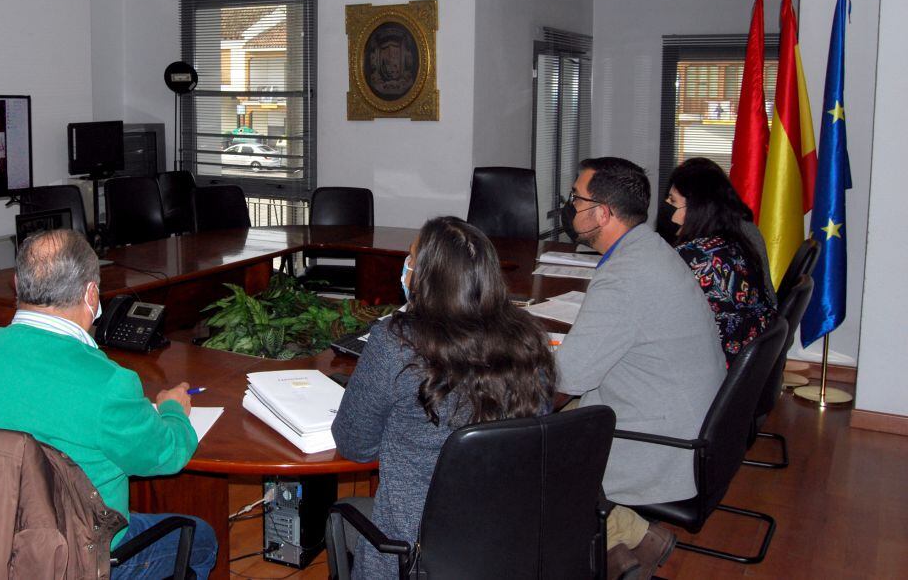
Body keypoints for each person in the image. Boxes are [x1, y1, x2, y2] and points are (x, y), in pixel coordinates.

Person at [0, 229, 217, 579]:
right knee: (201, 538)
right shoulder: (107, 383)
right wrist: (173, 410)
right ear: (91, 294)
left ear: (16, 284)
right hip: (79, 559)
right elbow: (166, 455)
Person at [332, 216, 556, 579]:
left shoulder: (395, 342)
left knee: (343, 511)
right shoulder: (530, 341)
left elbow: (355, 445)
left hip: (414, 551)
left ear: (424, 277)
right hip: (509, 541)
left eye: (412, 259)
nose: (405, 268)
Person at [555, 157, 725, 580]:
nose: (570, 206)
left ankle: (611, 549)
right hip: (685, 418)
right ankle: (631, 543)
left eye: (577, 198)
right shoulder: (649, 249)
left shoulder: (626, 276)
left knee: (520, 449)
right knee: (553, 425)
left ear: (603, 213)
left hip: (661, 442)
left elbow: (567, 378)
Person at [666, 158, 776, 365]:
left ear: (695, 207)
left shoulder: (693, 257)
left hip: (715, 368)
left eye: (673, 202)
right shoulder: (734, 242)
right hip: (749, 364)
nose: (669, 214)